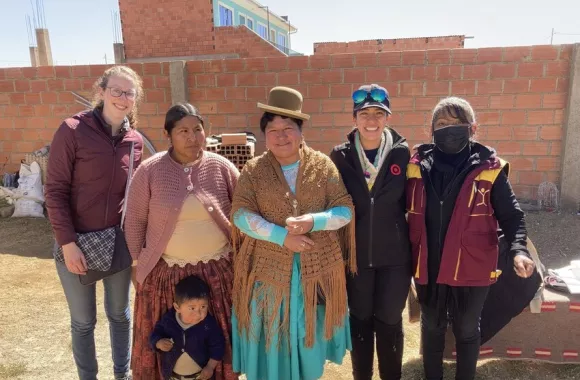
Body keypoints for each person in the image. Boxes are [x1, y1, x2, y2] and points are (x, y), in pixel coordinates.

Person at [230, 86, 357, 380]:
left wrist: (314, 220)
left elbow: (345, 210)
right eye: (272, 130)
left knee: (308, 338)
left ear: (300, 131)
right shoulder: (254, 170)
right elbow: (240, 213)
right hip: (268, 271)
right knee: (273, 338)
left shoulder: (322, 166)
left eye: (288, 128)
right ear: (264, 135)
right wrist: (281, 236)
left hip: (315, 272)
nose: (281, 136)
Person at [406, 96, 536, 380]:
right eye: (441, 124)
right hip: (429, 265)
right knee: (432, 328)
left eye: (456, 123)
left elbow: (512, 217)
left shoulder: (491, 169)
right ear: (431, 130)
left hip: (472, 265)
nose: (448, 129)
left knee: (466, 329)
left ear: (473, 128)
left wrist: (519, 250)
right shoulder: (415, 167)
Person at [125, 103, 239, 380]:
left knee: (214, 341)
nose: (192, 137)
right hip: (166, 275)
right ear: (168, 135)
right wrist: (138, 265)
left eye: (198, 130)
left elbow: (242, 212)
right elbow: (135, 220)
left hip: (217, 275)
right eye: (183, 131)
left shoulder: (221, 167)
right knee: (170, 346)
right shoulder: (150, 171)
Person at [45, 65, 144, 380]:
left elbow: (137, 193)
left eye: (129, 93)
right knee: (83, 321)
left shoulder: (135, 141)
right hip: (77, 245)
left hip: (117, 242)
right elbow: (55, 191)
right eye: (116, 90)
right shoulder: (72, 130)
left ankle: (122, 373)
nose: (122, 98)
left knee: (119, 315)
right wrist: (68, 243)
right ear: (101, 92)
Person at [330, 84, 412, 380]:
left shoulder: (403, 154)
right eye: (365, 113)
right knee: (361, 322)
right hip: (356, 258)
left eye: (379, 113)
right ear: (355, 118)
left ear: (387, 117)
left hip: (395, 258)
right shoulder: (339, 156)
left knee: (390, 322)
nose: (372, 120)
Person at [150, 275, 225, 380]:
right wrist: (158, 343)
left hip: (200, 376)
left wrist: (210, 367)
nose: (199, 313)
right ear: (177, 307)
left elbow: (218, 346)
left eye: (203, 307)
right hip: (173, 377)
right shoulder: (169, 320)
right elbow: (155, 334)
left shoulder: (208, 325)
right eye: (192, 308)